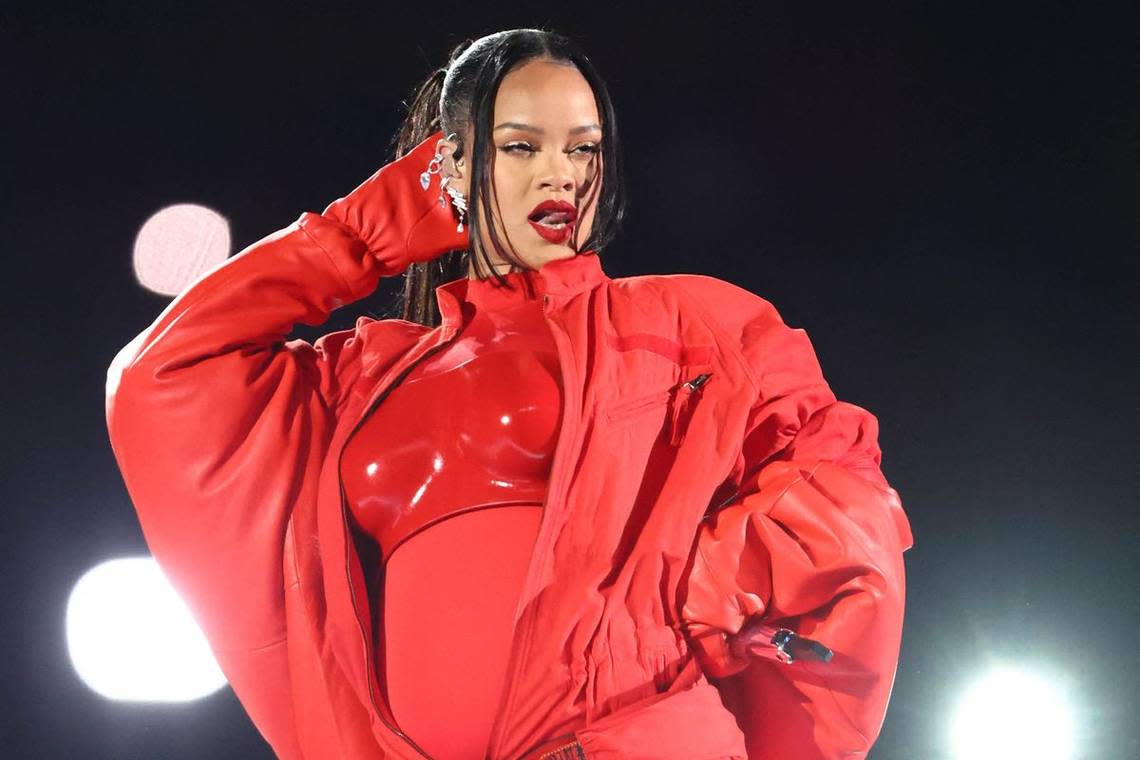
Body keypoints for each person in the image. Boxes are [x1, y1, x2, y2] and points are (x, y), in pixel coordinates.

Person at [105, 27, 913, 760]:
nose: (561, 174)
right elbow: (164, 376)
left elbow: (844, 492)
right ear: (449, 163)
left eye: (583, 149)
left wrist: (687, 590)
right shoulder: (360, 378)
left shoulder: (691, 321)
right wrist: (367, 230)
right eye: (521, 147)